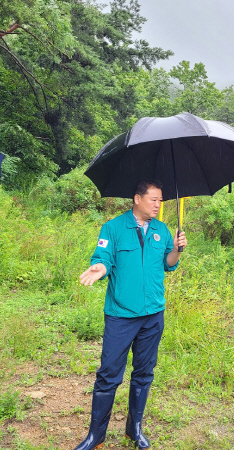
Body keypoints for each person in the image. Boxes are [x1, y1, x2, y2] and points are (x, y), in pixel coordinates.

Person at [75, 179, 187, 450]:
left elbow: (168, 265)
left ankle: (133, 430)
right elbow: (102, 257)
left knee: (144, 373)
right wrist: (99, 269)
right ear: (137, 199)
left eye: (161, 201)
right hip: (121, 315)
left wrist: (175, 249)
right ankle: (96, 436)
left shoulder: (161, 230)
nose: (158, 205)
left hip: (153, 314)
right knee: (108, 375)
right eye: (153, 200)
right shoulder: (113, 228)